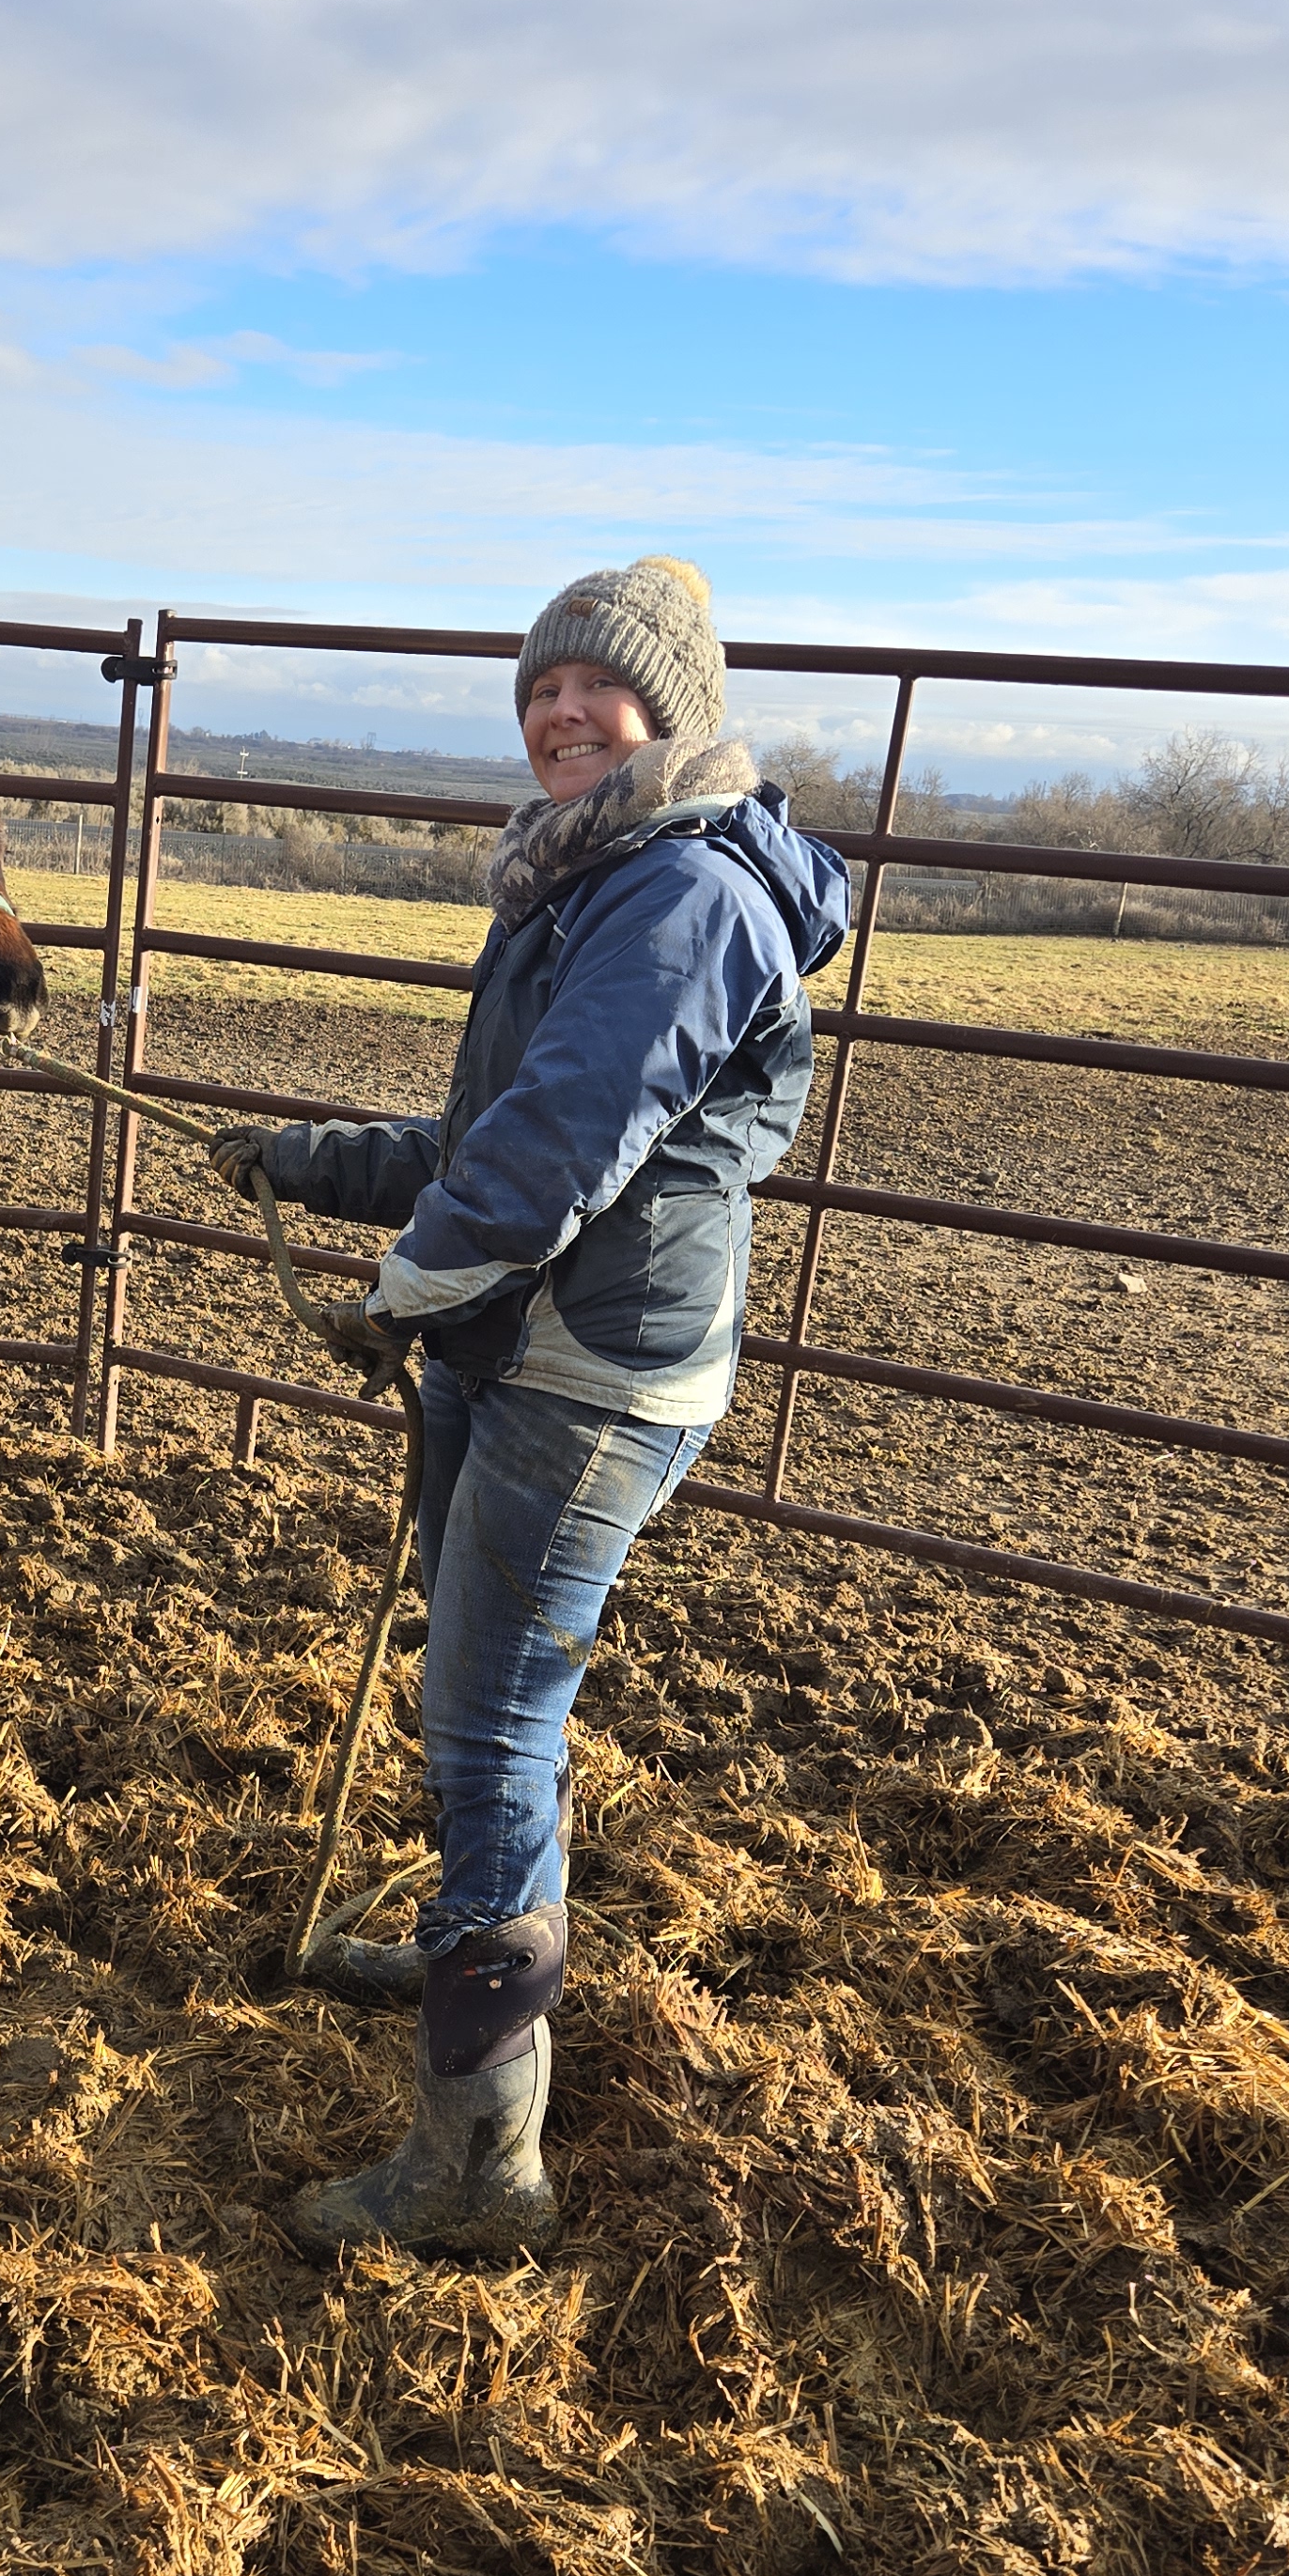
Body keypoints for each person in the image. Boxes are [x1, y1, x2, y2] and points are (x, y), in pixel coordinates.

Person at [209, 555, 851, 2262]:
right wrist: (316, 1163)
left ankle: (480, 2161)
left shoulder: (686, 894)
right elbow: (496, 1130)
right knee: (486, 1696)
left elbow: (561, 1149)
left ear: (671, 712)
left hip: (589, 1369)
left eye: (598, 687)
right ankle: (473, 1962)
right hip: (532, 1340)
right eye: (541, 689)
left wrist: (403, 1292)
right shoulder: (595, 877)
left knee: (491, 1716)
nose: (563, 713)